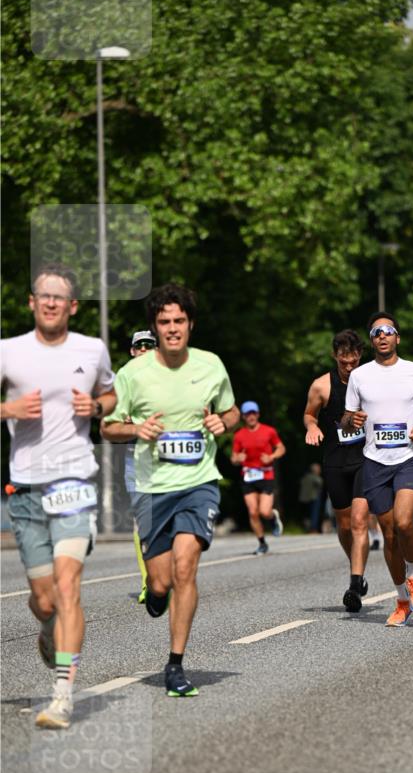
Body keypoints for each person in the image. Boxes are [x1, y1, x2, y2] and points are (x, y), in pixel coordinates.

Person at [103, 284, 239, 697]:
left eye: (179, 321)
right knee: (160, 582)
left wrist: (224, 422)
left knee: (186, 567)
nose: (173, 328)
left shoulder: (211, 365)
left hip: (198, 482)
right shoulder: (132, 375)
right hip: (151, 489)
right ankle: (156, 596)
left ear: (190, 325)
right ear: (154, 328)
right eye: (164, 322)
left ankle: (176, 664)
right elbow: (107, 428)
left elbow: (231, 409)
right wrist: (135, 429)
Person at [1, 263, 116, 729]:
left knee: (69, 588)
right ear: (32, 302)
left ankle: (63, 695)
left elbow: (109, 395)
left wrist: (98, 407)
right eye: (42, 295)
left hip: (73, 485)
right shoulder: (9, 352)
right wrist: (7, 408)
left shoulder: (92, 349)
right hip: (26, 490)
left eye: (59, 297)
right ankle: (49, 630)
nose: (50, 302)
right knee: (44, 600)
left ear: (71, 306)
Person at [341, 312, 413, 626]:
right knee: (388, 534)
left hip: (409, 458)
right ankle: (402, 599)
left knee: (403, 522)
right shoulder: (359, 376)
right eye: (375, 333)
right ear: (372, 340)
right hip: (374, 461)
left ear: (397, 337)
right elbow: (346, 418)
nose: (382, 336)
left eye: (388, 331)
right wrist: (351, 420)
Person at [304, 329, 370, 611]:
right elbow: (308, 414)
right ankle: (356, 566)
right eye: (344, 359)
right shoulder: (321, 386)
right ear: (335, 356)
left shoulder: (372, 381)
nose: (349, 363)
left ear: (360, 356)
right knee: (344, 525)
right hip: (335, 460)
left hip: (366, 458)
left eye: (353, 358)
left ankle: (355, 584)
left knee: (358, 521)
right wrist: (312, 427)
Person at [113, 329, 157, 603]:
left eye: (149, 345)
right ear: (132, 351)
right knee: (143, 523)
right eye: (139, 345)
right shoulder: (123, 380)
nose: (144, 349)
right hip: (136, 457)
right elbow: (112, 423)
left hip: (169, 459)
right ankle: (148, 582)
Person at [231, 401, 285, 554]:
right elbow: (233, 458)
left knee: (264, 511)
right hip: (248, 476)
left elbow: (281, 448)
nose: (251, 416)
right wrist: (237, 458)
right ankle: (262, 543)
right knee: (253, 512)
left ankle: (272, 517)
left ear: (258, 414)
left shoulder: (269, 431)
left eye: (254, 413)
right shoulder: (239, 435)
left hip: (266, 474)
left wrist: (271, 456)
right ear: (243, 416)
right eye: (248, 414)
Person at [299, 463, 323, 533]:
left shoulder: (305, 477)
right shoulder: (316, 478)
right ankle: (313, 529)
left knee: (307, 515)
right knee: (314, 514)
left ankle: (307, 528)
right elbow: (320, 483)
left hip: (304, 499)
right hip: (314, 498)